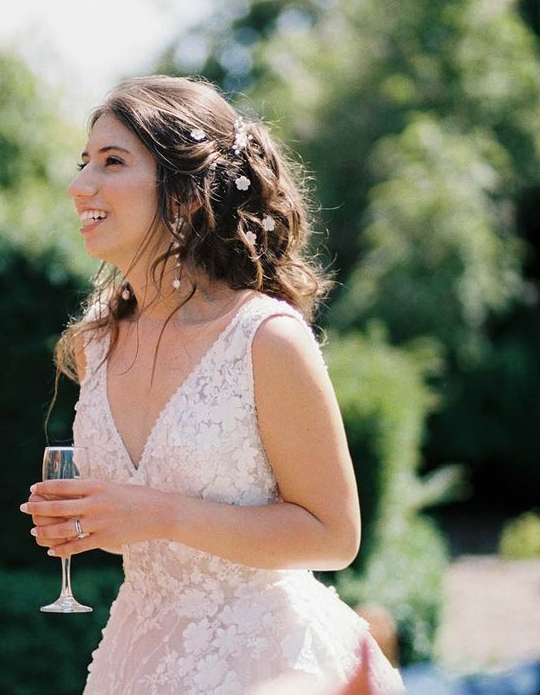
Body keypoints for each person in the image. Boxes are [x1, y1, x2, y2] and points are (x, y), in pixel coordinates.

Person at [22, 75, 403, 693]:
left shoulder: (265, 337)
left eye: (112, 162)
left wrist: (158, 514)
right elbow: (143, 531)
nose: (80, 185)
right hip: (135, 658)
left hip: (268, 663)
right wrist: (93, 523)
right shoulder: (97, 344)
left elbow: (334, 536)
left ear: (187, 195)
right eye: (83, 162)